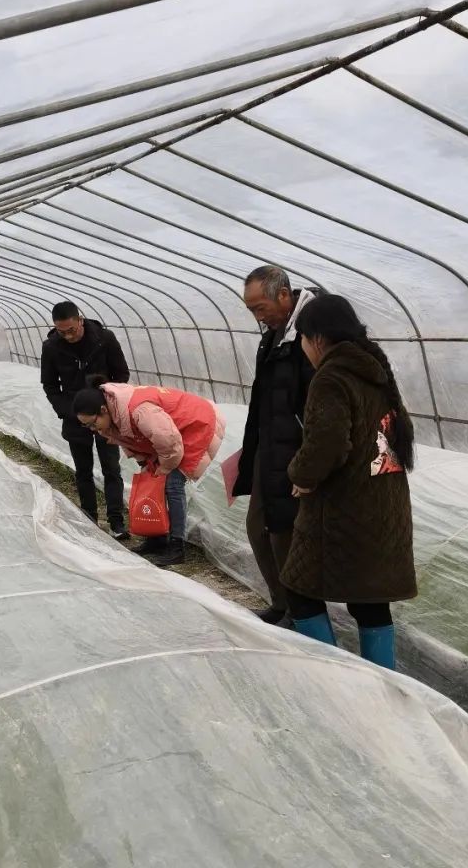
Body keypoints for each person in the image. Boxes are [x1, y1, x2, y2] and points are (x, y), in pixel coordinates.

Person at [279, 294, 417, 670]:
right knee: (370, 601)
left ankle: (337, 676)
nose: (303, 347)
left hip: (344, 513)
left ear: (317, 338)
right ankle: (384, 683)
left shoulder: (332, 377)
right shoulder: (375, 372)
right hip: (385, 505)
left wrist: (301, 477)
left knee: (299, 591)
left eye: (302, 339)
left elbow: (327, 442)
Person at [231, 265, 321, 627]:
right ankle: (282, 603)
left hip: (296, 453)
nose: (257, 316)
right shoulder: (272, 337)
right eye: (252, 309)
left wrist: (309, 461)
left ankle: (303, 615)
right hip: (269, 448)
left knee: (287, 534)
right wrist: (251, 449)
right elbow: (264, 400)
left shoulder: (312, 331)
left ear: (283, 295)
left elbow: (319, 406)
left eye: (260, 308)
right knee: (259, 528)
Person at [72, 377, 225, 567]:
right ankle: (157, 539)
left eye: (92, 424)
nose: (92, 429)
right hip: (170, 433)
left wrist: (164, 468)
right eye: (86, 426)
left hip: (196, 423)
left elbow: (169, 442)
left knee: (172, 483)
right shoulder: (113, 414)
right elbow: (129, 440)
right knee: (152, 480)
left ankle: (177, 547)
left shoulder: (139, 410)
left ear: (103, 410)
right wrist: (146, 463)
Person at [40, 301, 130, 540]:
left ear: (80, 320)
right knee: (83, 471)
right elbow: (50, 385)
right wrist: (69, 411)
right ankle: (89, 520)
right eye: (62, 332)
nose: (68, 336)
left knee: (112, 469)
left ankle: (116, 521)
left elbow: (122, 373)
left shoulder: (104, 339)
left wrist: (108, 404)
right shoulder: (51, 347)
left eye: (71, 330)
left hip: (104, 415)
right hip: (75, 418)